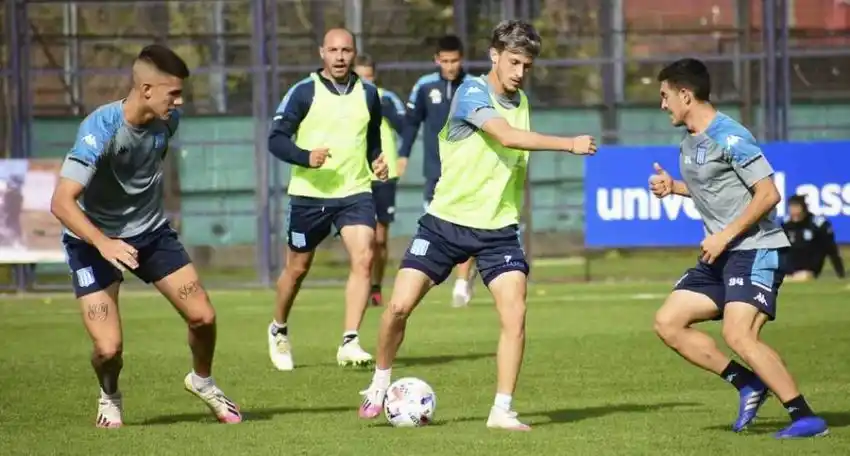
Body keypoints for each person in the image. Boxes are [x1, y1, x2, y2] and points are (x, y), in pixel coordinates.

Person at [357, 20, 597, 430]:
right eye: (514, 61)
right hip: (444, 222)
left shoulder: (520, 100)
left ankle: (502, 410)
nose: (520, 72)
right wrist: (568, 143)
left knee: (515, 315)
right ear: (494, 56)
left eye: (527, 65)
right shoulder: (471, 92)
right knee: (397, 307)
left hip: (498, 229)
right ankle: (380, 381)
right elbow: (506, 138)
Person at [50, 44, 242, 428]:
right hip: (94, 241)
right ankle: (109, 395)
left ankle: (202, 381)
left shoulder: (168, 121)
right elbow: (61, 202)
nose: (180, 101)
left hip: (151, 233)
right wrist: (104, 243)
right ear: (147, 90)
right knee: (108, 349)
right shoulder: (100, 129)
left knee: (203, 317)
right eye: (173, 93)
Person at [649, 58, 828, 439]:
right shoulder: (690, 140)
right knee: (668, 323)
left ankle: (805, 417)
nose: (662, 104)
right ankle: (747, 382)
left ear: (686, 94)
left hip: (755, 249)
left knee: (739, 335)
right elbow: (714, 191)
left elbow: (768, 193)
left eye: (665, 96)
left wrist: (724, 235)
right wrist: (675, 188)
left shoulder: (730, 135)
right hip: (721, 255)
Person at [266, 28, 389, 371]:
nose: (339, 56)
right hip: (310, 196)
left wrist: (376, 160)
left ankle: (350, 340)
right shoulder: (303, 92)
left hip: (355, 192)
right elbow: (275, 139)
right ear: (322, 52)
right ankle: (278, 328)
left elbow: (372, 138)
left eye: (346, 50)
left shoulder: (369, 94)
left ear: (354, 53)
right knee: (297, 269)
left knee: (365, 257)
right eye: (333, 50)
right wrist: (305, 157)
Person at [397, 34, 477, 308]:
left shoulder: (475, 86)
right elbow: (411, 123)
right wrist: (402, 155)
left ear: (461, 59)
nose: (450, 66)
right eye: (445, 61)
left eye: (454, 61)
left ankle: (462, 282)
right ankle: (440, 274)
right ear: (436, 60)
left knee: (466, 225)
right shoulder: (424, 86)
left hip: (468, 170)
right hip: (435, 170)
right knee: (440, 226)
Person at [352, 54, 407, 307]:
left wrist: (402, 157)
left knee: (381, 238)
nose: (365, 81)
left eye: (368, 76)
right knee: (363, 237)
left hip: (384, 176)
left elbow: (406, 127)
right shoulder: (345, 101)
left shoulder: (386, 99)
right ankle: (361, 283)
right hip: (356, 175)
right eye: (360, 76)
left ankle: (376, 286)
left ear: (374, 76)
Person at [781, 194, 844, 282]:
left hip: (809, 270)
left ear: (804, 208)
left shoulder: (817, 225)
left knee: (804, 276)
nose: (793, 211)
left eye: (796, 207)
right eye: (791, 207)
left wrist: (841, 273)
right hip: (789, 270)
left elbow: (832, 250)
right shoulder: (785, 224)